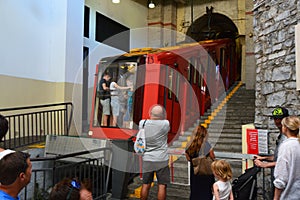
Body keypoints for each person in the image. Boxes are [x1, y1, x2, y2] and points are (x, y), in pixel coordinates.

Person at [254, 106, 289, 196]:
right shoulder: (281, 135)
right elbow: (278, 157)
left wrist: (264, 165)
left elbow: (286, 162)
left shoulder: (288, 139)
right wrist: (264, 158)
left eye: (280, 119)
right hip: (278, 179)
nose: (277, 121)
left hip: (285, 182)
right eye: (275, 119)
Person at [140, 105, 170, 200]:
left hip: (147, 158)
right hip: (161, 159)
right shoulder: (165, 124)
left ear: (150, 114)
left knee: (146, 184)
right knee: (162, 185)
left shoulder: (143, 123)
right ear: (162, 115)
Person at [273, 116, 300, 200]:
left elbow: (282, 176)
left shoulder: (286, 146)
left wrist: (276, 197)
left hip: (289, 194)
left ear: (285, 128)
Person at [185, 125, 215, 200]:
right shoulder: (207, 145)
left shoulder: (189, 145)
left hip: (195, 172)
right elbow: (213, 157)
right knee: (206, 193)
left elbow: (188, 158)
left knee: (195, 192)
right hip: (206, 173)